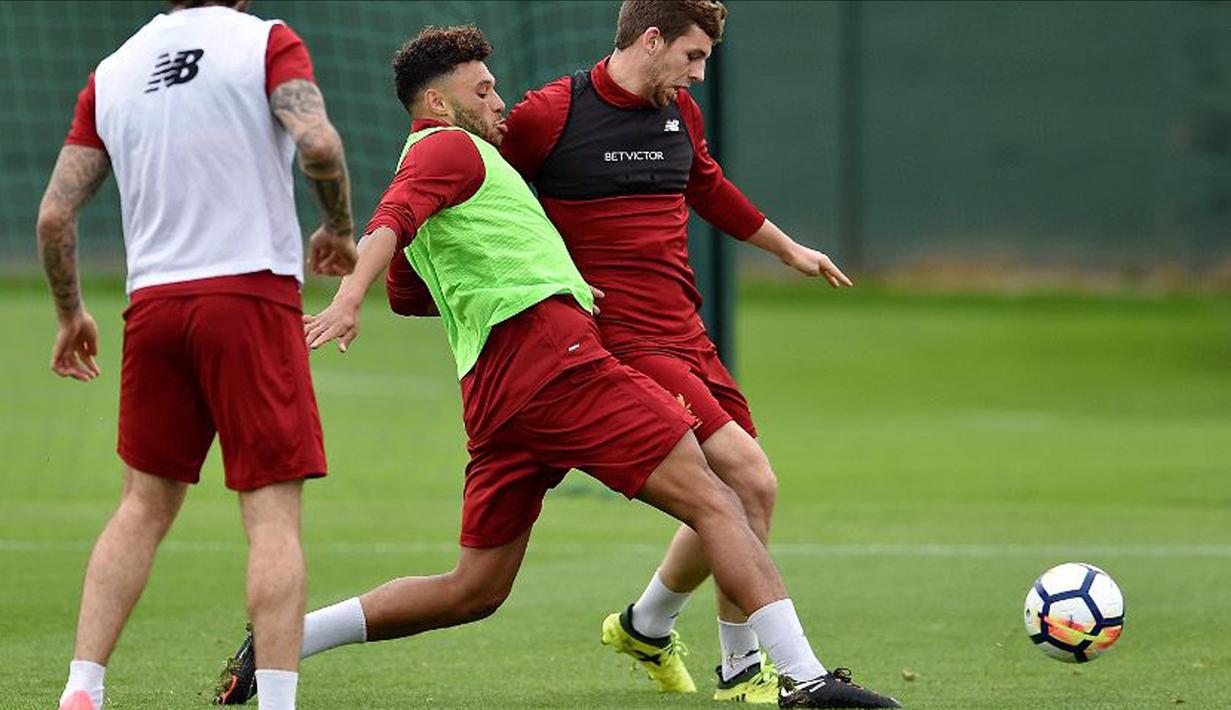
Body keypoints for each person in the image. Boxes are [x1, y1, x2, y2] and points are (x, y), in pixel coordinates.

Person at [215, 24, 899, 709]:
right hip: (556, 369)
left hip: (496, 395)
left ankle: (285, 638)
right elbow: (390, 220)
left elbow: (411, 286)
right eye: (481, 90)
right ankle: (801, 680)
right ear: (438, 104)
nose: (498, 102)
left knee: (474, 589)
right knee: (718, 500)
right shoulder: (448, 148)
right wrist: (349, 294)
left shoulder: (460, 168)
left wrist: (542, 277)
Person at [386, 1, 856, 702]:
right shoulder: (548, 115)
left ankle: (649, 623)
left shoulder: (679, 114)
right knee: (746, 482)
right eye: (692, 57)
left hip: (687, 332)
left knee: (737, 495)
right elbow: (460, 191)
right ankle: (743, 668)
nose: (699, 74)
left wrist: (787, 248)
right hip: (616, 341)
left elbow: (707, 187)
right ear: (651, 38)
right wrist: (421, 285)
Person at [38, 1, 356, 709]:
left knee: (142, 506)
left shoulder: (112, 71)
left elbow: (55, 214)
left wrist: (70, 314)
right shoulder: (266, 42)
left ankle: (82, 687)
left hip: (153, 308)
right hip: (249, 298)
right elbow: (321, 146)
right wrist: (337, 227)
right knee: (271, 515)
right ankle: (276, 702)